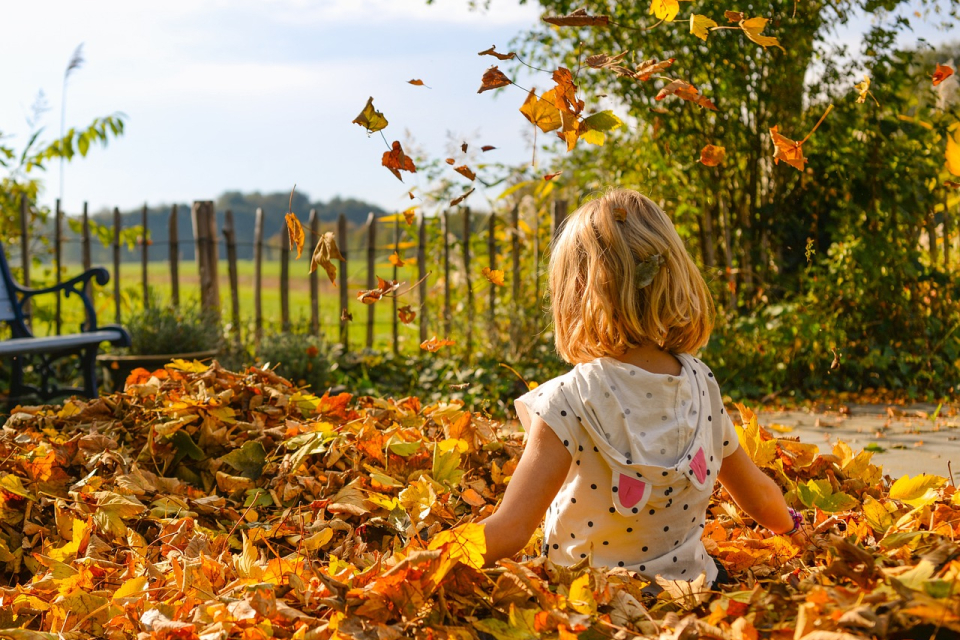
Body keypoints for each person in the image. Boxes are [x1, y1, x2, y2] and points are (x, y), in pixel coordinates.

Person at [480, 188, 807, 589]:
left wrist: (430, 559)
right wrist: (793, 529)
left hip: (589, 602)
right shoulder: (701, 383)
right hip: (690, 589)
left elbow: (511, 529)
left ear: (576, 293)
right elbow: (757, 495)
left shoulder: (567, 400)